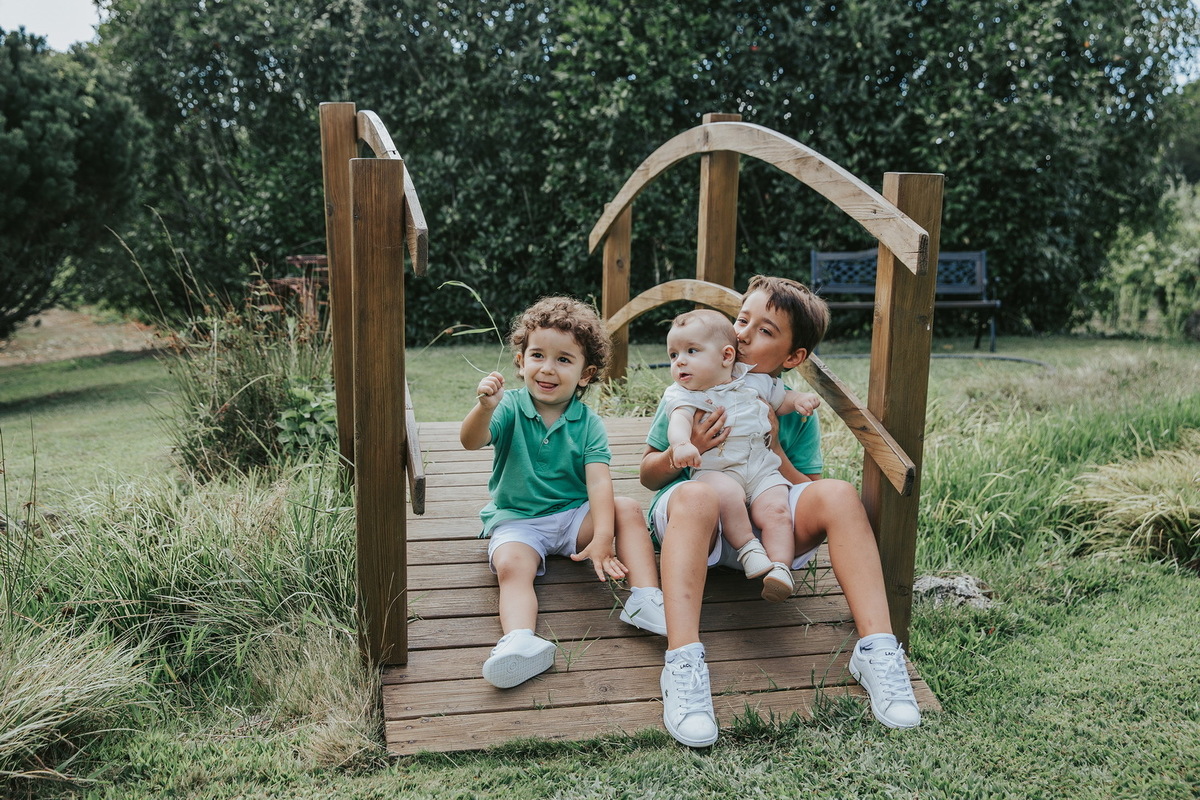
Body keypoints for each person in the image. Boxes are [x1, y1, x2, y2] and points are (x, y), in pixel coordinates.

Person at [640, 275, 922, 747]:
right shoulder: (694, 383)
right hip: (701, 530)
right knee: (698, 496)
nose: (744, 334)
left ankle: (877, 649)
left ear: (793, 357)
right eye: (741, 320)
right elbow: (649, 475)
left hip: (773, 539)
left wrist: (774, 445)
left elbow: (805, 487)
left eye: (765, 330)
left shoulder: (782, 400)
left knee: (838, 493)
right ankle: (683, 660)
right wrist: (685, 451)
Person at [461, 296, 666, 690]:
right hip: (519, 520)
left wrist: (603, 537)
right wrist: (485, 407)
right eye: (537, 355)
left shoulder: (588, 424)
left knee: (626, 508)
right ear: (521, 361)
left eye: (564, 359)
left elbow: (599, 482)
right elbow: (470, 441)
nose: (548, 368)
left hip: (573, 516)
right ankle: (519, 641)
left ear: (585, 374)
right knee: (511, 566)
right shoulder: (509, 407)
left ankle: (645, 597)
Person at [661, 309, 820, 602]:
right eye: (673, 355)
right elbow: (679, 420)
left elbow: (781, 398)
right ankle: (749, 549)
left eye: (691, 351)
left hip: (761, 469)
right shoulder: (683, 394)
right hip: (718, 471)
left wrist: (799, 400)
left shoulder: (752, 379)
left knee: (777, 510)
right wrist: (682, 444)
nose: (679, 361)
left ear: (726, 356)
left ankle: (780, 569)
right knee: (727, 497)